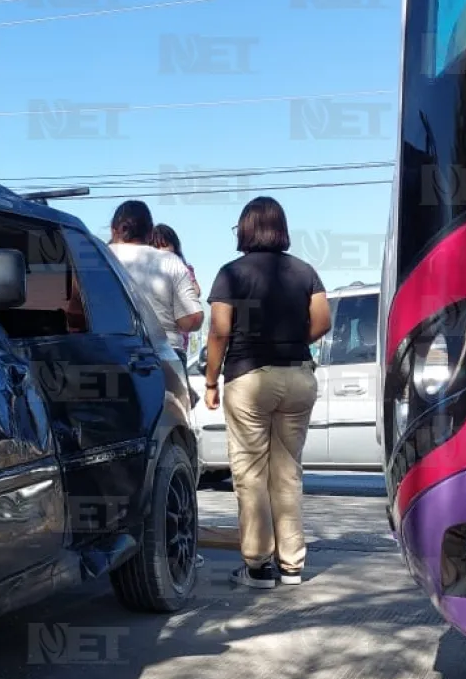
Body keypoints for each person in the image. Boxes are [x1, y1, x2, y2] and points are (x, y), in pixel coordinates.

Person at [202, 196, 331, 590]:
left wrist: (210, 381)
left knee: (251, 474)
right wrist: (291, 341)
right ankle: (292, 566)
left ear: (245, 229)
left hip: (249, 378)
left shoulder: (231, 274)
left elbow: (220, 330)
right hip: (297, 376)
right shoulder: (305, 271)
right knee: (288, 472)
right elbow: (323, 322)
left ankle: (258, 568)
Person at [107, 201, 203, 373]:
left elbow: (75, 312)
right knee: (169, 401)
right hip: (166, 356)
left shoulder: (98, 258)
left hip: (109, 357)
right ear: (150, 233)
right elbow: (193, 318)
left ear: (113, 229)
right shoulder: (170, 261)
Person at [150, 223, 201, 358]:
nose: (161, 251)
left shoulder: (182, 267)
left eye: (165, 245)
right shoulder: (149, 271)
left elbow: (196, 291)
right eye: (156, 247)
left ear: (175, 246)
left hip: (177, 340)